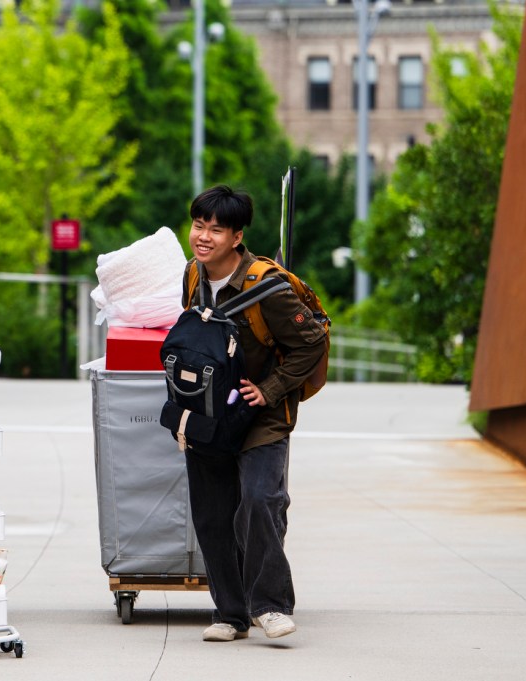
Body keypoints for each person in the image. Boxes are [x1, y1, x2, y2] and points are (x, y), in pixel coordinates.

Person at [180, 185, 328, 643]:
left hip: (261, 412)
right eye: (198, 226)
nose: (203, 237)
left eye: (215, 230)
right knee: (212, 513)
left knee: (262, 501)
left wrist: (270, 389)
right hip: (210, 411)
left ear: (237, 236)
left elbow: (312, 342)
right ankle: (231, 613)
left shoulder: (267, 286)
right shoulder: (192, 275)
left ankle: (270, 606)